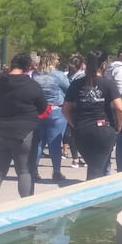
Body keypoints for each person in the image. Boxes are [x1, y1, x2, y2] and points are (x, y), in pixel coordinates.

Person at [0, 53, 48, 206]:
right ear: (28, 67)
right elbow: (43, 107)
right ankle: (26, 208)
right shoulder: (32, 85)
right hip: (24, 133)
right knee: (25, 171)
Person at [63, 50, 122, 181]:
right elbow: (120, 108)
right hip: (103, 128)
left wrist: (74, 124)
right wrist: (118, 125)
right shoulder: (107, 84)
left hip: (82, 129)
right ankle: (93, 197)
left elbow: (66, 109)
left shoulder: (76, 83)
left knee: (94, 166)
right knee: (96, 170)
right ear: (104, 65)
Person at [32, 52, 70, 182]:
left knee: (38, 142)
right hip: (56, 110)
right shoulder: (58, 75)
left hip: (39, 111)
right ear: (53, 61)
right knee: (55, 142)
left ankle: (34, 170)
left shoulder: (35, 75)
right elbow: (69, 89)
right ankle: (56, 171)